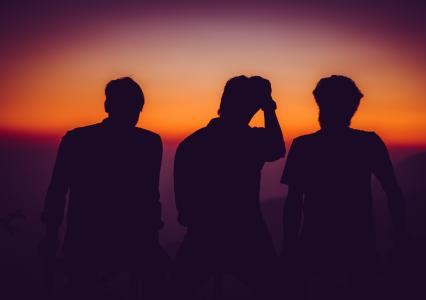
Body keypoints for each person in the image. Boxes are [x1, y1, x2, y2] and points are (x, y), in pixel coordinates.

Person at [281, 75, 406, 299]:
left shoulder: (304, 146)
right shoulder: (369, 143)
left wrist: (289, 247)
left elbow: (293, 202)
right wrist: (400, 236)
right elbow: (393, 192)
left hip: (315, 244)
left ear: (319, 103)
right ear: (352, 108)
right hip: (359, 245)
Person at [39, 77, 166, 299]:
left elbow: (57, 193)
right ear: (138, 109)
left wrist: (51, 238)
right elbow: (150, 199)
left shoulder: (76, 140)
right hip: (132, 244)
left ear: (107, 106)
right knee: (165, 279)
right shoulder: (149, 143)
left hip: (83, 244)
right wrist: (149, 243)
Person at [171, 75, 285, 299]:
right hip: (248, 232)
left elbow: (183, 210)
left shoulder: (192, 143)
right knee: (276, 287)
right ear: (252, 107)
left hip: (203, 234)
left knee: (175, 288)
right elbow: (276, 148)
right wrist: (269, 109)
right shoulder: (252, 140)